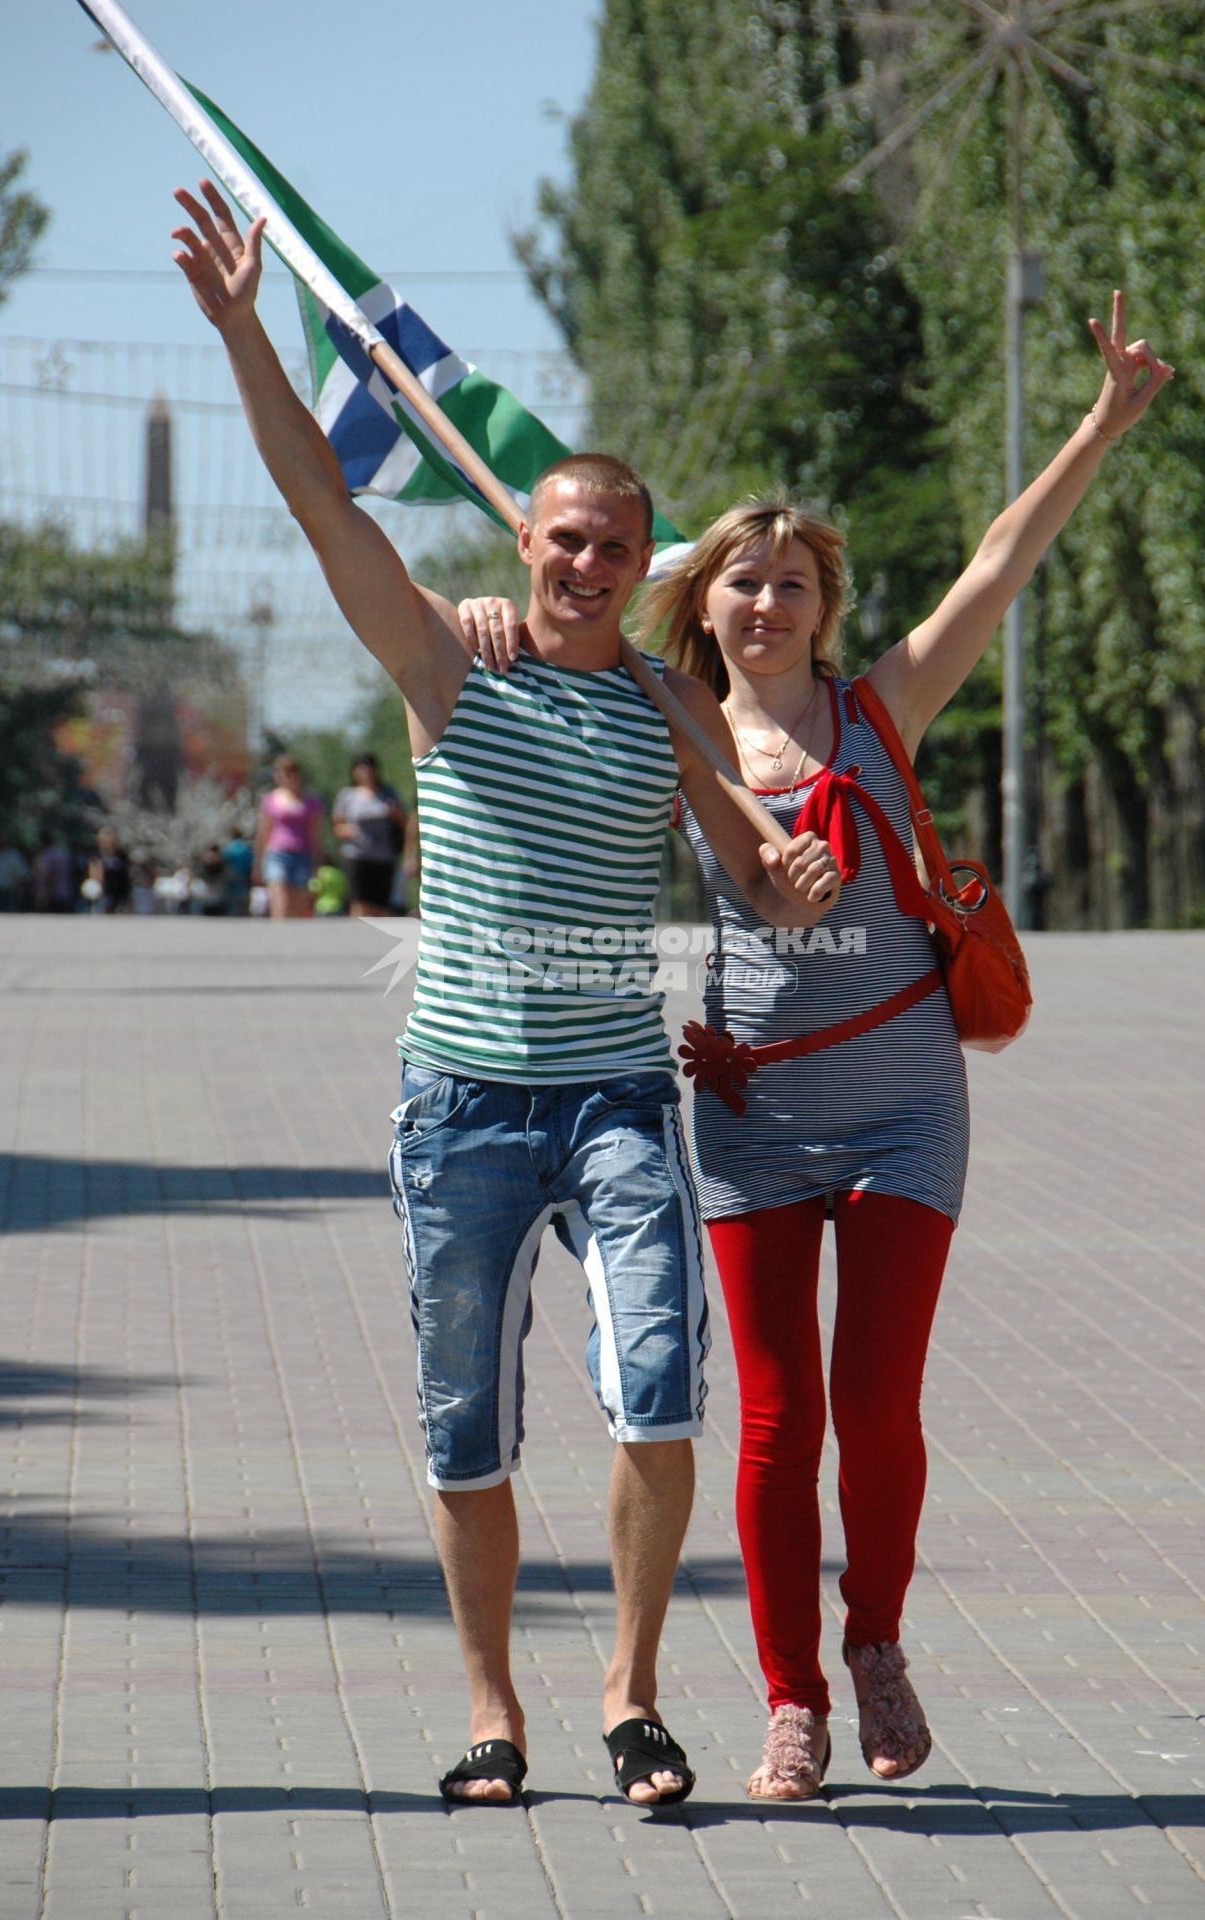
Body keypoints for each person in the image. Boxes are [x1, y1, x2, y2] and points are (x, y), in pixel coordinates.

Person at [170, 179, 840, 1809]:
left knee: (659, 1391)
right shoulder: (443, 665)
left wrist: (792, 892)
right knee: (461, 1428)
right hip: (458, 1103)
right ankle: (493, 1716)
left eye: (614, 543)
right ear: (521, 547)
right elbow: (323, 499)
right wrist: (247, 330)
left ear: (637, 564)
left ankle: (626, 1697)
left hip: (617, 1103)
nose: (586, 561)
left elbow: (751, 871)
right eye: (561, 539)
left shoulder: (671, 712)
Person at [458, 291, 1172, 1798]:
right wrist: (487, 619)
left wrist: (1101, 423)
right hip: (752, 1118)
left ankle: (877, 1641)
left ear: (824, 610)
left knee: (882, 1405)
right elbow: (539, 664)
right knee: (778, 1420)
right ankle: (791, 1702)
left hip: (907, 1096)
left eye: (792, 583)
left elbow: (1000, 560)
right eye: (742, 582)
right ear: (700, 602)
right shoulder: (664, 723)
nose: (768, 604)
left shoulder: (879, 709)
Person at [332, 753, 407, 915]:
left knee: (381, 905)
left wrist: (395, 814)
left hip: (384, 856)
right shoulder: (347, 795)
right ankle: (358, 937)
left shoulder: (387, 794)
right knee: (360, 902)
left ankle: (378, 938)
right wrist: (350, 830)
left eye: (369, 768)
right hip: (358, 855)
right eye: (361, 768)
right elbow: (337, 827)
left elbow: (404, 823)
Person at [253, 756, 323, 919]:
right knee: (280, 901)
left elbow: (316, 835)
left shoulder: (310, 802)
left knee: (299, 906)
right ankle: (279, 939)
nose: (288, 776)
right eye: (284, 772)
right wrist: (258, 862)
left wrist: (317, 864)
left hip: (302, 855)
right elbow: (263, 832)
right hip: (277, 854)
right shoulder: (270, 800)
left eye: (292, 772)